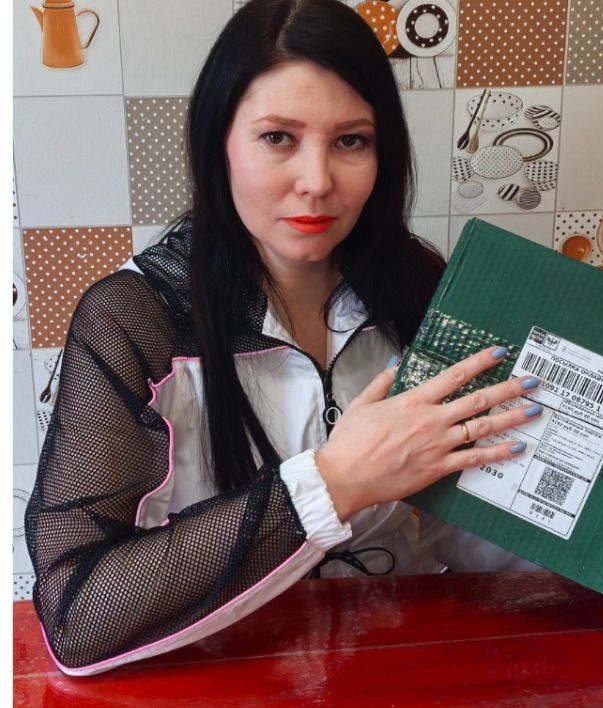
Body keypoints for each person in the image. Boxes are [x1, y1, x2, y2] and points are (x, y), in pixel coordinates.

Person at [24, 0, 539, 676]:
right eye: (278, 138)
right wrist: (334, 482)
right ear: (219, 144)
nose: (318, 182)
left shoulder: (417, 286)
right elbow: (77, 616)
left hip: (399, 658)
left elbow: (460, 531)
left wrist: (557, 495)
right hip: (218, 675)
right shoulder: (136, 320)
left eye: (351, 141)